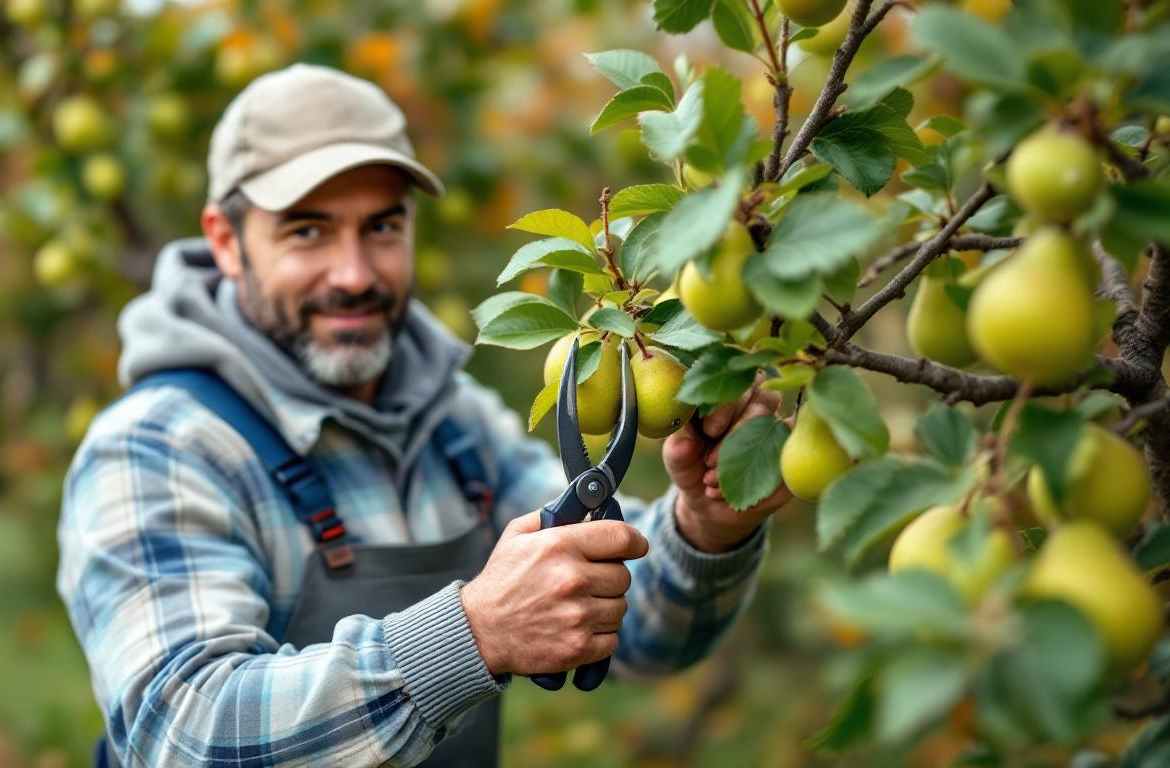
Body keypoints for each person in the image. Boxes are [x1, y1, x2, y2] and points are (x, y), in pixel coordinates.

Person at [57, 63, 790, 768]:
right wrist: (470, 636)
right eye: (307, 232)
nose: (353, 273)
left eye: (381, 227)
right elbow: (180, 732)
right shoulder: (155, 445)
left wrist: (707, 527)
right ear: (225, 240)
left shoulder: (451, 423)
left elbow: (631, 629)